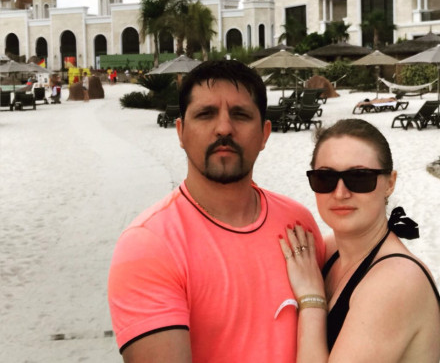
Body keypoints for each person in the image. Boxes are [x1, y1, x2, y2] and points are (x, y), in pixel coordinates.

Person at [108, 60, 325, 363]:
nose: (224, 128)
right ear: (181, 132)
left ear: (264, 134)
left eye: (240, 114)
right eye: (206, 114)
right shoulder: (149, 245)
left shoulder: (297, 225)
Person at [279, 118, 440, 362]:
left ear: (390, 183)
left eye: (359, 177)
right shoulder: (330, 250)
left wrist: (312, 300)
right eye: (325, 178)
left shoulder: (397, 280)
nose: (340, 193)